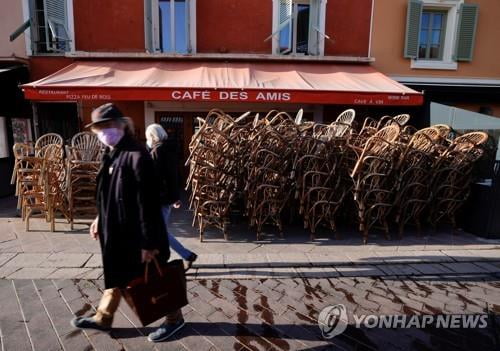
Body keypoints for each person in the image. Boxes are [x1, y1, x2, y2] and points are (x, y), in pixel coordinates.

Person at [70, 103, 185, 343]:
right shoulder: (112, 154)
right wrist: (100, 218)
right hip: (118, 232)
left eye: (107, 126)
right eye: (99, 128)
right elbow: (108, 194)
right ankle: (103, 317)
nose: (103, 132)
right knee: (117, 275)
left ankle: (175, 320)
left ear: (122, 125)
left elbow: (148, 203)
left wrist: (148, 242)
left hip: (138, 236)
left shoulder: (137, 155)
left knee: (152, 279)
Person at [145, 123, 197, 271]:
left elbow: (157, 178)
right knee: (159, 232)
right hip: (165, 198)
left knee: (159, 232)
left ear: (152, 136)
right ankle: (165, 258)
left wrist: (173, 197)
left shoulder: (158, 151)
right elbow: (173, 176)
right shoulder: (168, 149)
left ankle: (187, 255)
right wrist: (174, 197)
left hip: (159, 199)